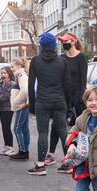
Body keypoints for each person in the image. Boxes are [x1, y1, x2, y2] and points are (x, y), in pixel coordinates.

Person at [28, 32, 71, 175]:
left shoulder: (35, 61)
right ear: (54, 46)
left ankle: (40, 166)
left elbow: (31, 84)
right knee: (63, 131)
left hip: (42, 101)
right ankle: (68, 163)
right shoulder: (62, 61)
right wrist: (68, 104)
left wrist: (32, 105)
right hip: (59, 100)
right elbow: (67, 85)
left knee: (43, 133)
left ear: (42, 46)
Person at [44, 33, 87, 172]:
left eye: (65, 41)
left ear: (73, 42)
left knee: (79, 128)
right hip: (62, 97)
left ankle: (80, 154)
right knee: (56, 125)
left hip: (77, 98)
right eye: (61, 42)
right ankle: (51, 154)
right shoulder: (61, 58)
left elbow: (82, 81)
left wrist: (78, 98)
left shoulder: (81, 58)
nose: (63, 44)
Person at [9, 58, 31, 161]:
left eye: (12, 66)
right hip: (23, 106)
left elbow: (25, 91)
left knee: (17, 129)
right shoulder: (21, 75)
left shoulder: (21, 75)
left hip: (21, 106)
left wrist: (16, 101)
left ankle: (22, 151)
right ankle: (25, 151)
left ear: (18, 65)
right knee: (24, 129)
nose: (11, 68)